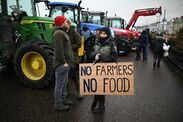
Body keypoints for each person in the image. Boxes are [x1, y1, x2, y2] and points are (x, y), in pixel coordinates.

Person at [90, 27, 117, 113]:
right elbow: (91, 54)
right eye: (101, 33)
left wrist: (101, 57)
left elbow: (114, 57)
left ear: (108, 34)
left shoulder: (112, 44)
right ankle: (95, 103)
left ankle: (101, 106)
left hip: (105, 69)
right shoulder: (96, 42)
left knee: (101, 88)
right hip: (96, 68)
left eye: (104, 34)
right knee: (97, 87)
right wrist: (94, 56)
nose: (102, 35)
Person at [52, 16, 74, 111]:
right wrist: (64, 62)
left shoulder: (62, 32)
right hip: (61, 64)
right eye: (65, 21)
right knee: (60, 84)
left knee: (64, 83)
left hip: (65, 64)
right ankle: (58, 104)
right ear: (61, 22)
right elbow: (58, 50)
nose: (67, 22)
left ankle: (63, 100)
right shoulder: (58, 33)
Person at [66, 19, 83, 99]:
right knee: (66, 76)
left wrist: (69, 47)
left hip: (74, 57)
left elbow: (79, 44)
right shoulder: (63, 33)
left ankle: (78, 93)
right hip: (65, 57)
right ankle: (67, 93)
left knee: (75, 76)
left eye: (66, 24)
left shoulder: (74, 33)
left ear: (69, 25)